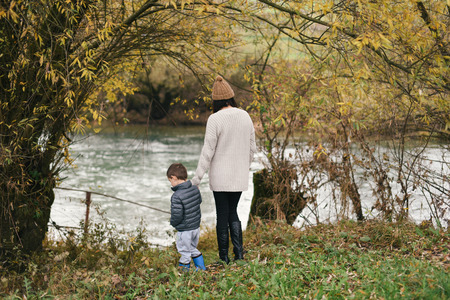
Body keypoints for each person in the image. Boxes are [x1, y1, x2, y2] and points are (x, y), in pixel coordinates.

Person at [192, 75, 256, 264]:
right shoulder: (245, 115)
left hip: (220, 177)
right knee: (233, 212)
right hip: (239, 175)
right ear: (231, 97)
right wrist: (244, 166)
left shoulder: (215, 119)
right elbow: (252, 148)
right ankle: (239, 254)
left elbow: (207, 152)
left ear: (216, 100)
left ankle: (224, 257)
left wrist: (197, 179)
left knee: (222, 213)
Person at [167, 163, 206, 271]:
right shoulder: (195, 188)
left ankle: (184, 273)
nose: (171, 184)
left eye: (170, 181)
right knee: (192, 248)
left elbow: (177, 216)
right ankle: (201, 268)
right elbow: (199, 201)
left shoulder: (176, 196)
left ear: (174, 178)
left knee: (184, 251)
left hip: (185, 230)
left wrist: (173, 223)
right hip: (195, 228)